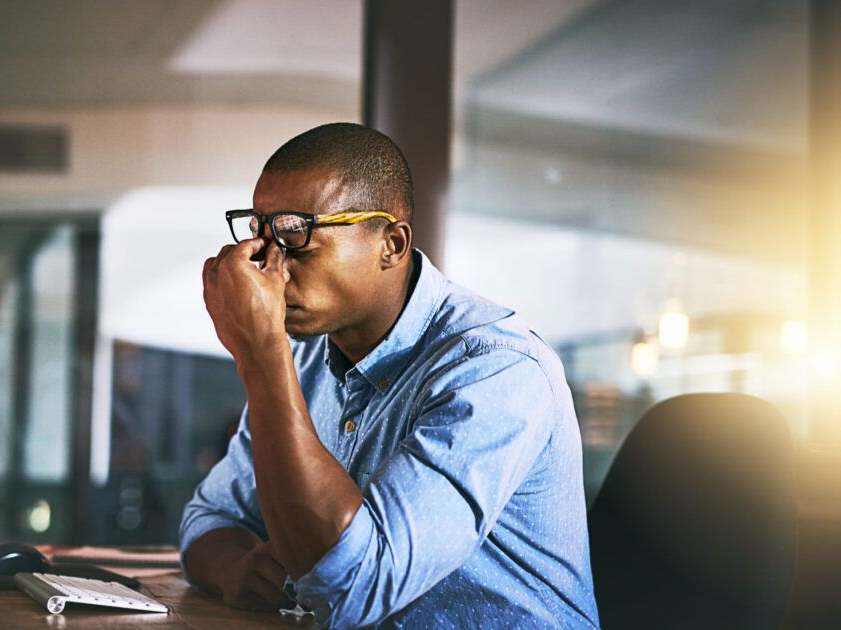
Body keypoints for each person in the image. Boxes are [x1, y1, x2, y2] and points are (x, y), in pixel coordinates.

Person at [180, 122, 599, 628]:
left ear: (392, 244)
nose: (270, 270)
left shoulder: (495, 369)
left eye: (297, 239)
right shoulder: (310, 358)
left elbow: (356, 584)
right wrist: (236, 570)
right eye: (262, 238)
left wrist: (261, 355)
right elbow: (209, 517)